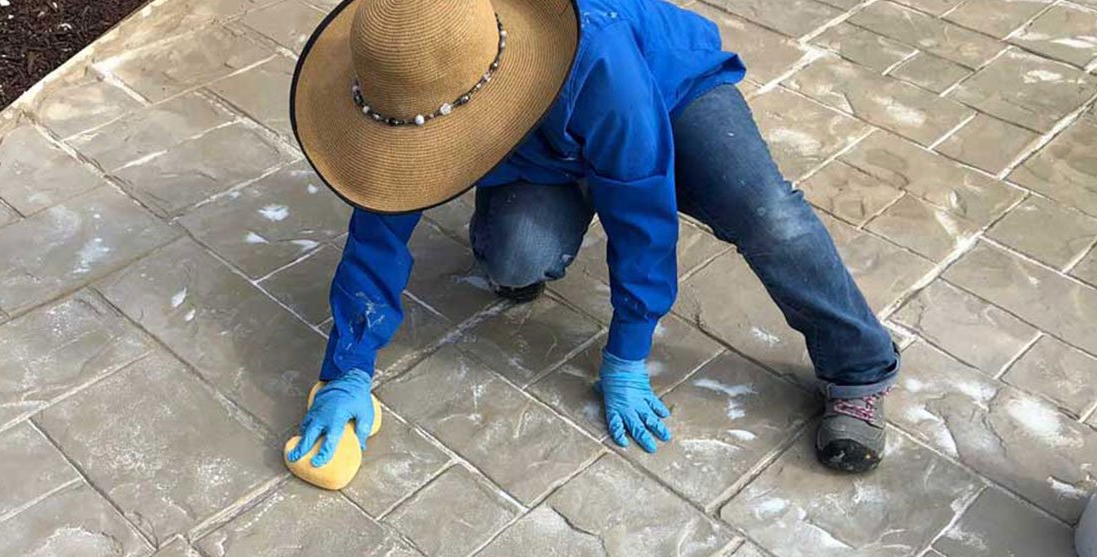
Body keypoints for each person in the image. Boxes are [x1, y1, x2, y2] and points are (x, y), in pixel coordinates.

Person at [285, 0, 899, 477]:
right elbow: (377, 231)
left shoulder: (601, 65)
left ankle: (859, 369)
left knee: (766, 214)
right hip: (546, 135)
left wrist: (627, 355)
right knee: (515, 257)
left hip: (665, 85)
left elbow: (644, 218)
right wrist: (347, 370)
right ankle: (572, 184)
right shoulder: (399, 75)